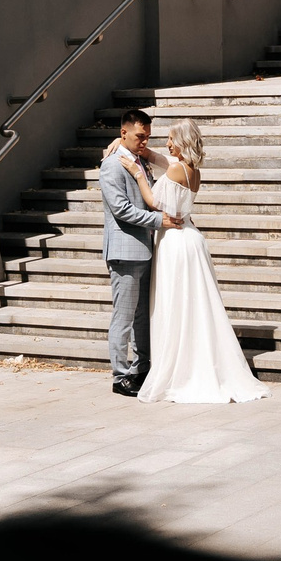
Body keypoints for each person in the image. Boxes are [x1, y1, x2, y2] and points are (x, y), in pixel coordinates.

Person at [124, 119, 268, 404]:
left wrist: (137, 173)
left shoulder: (177, 168)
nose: (167, 144)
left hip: (175, 241)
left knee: (176, 303)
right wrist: (132, 148)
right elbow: (158, 157)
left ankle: (181, 367)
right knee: (194, 304)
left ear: (182, 142)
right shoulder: (192, 170)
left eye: (171, 139)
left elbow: (154, 202)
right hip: (189, 237)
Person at [98, 109, 177, 397]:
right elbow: (121, 209)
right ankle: (120, 377)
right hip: (124, 251)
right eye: (139, 136)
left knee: (143, 315)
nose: (144, 142)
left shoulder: (139, 160)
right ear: (124, 133)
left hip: (145, 249)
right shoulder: (111, 166)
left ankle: (142, 368)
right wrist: (160, 221)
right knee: (124, 316)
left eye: (147, 137)